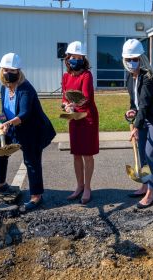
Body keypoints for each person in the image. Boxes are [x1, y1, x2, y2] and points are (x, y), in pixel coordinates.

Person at [0, 53, 56, 211]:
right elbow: (4, 110)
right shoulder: (4, 88)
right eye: (5, 70)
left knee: (31, 161)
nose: (8, 73)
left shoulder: (25, 88)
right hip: (12, 128)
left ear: (18, 71)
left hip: (32, 130)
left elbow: (24, 113)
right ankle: (1, 184)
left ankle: (36, 196)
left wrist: (9, 122)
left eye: (12, 70)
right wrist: (1, 121)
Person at [122, 39, 153, 209]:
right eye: (128, 59)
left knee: (150, 154)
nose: (131, 62)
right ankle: (143, 185)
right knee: (142, 155)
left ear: (141, 58)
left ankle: (151, 192)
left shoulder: (148, 78)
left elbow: (144, 104)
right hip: (143, 118)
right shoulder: (129, 78)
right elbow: (134, 103)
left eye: (134, 59)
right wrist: (131, 111)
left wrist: (136, 126)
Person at [61, 41, 99, 205]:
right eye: (73, 57)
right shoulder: (65, 76)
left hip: (87, 117)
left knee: (87, 154)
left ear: (83, 59)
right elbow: (64, 97)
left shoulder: (86, 75)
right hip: (74, 118)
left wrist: (73, 105)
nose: (75, 60)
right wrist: (65, 105)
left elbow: (85, 98)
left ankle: (88, 187)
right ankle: (79, 186)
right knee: (76, 153)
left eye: (79, 57)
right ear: (68, 58)